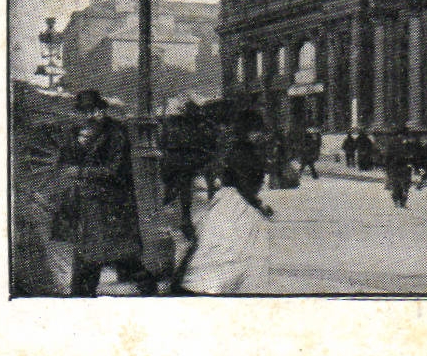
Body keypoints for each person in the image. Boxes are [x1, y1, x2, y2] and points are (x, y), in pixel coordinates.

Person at [55, 90, 156, 296]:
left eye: (94, 110)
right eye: (84, 111)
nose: (90, 115)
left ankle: (149, 290)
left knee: (115, 255)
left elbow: (115, 170)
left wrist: (81, 171)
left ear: (102, 110)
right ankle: (81, 296)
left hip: (111, 202)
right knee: (91, 254)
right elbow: (64, 162)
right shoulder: (75, 133)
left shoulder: (116, 132)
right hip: (84, 202)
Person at [177, 109, 274, 294]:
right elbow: (243, 184)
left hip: (231, 202)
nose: (259, 135)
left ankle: (211, 284)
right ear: (248, 131)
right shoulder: (243, 151)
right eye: (256, 131)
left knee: (223, 246)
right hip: (238, 204)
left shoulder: (242, 149)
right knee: (234, 248)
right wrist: (259, 204)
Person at [382, 131, 413, 208]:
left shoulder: (407, 145)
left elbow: (413, 155)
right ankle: (398, 201)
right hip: (398, 167)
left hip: (403, 168)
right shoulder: (394, 145)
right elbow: (388, 157)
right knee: (399, 185)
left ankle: (401, 201)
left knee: (402, 186)